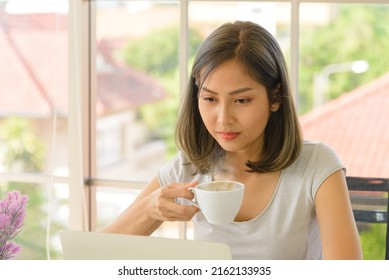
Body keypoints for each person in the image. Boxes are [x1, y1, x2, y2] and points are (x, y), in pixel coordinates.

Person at [102, 21, 362, 260]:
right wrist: (148, 210)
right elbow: (94, 257)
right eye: (210, 99)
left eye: (241, 100)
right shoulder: (188, 169)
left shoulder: (316, 166)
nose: (223, 119)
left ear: (275, 97)